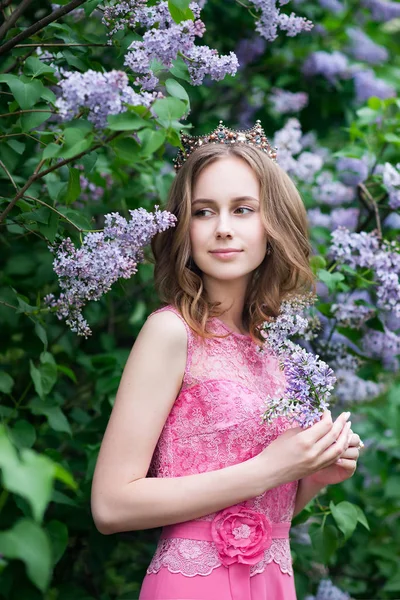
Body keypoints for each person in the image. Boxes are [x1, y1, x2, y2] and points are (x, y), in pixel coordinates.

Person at [90, 121, 363, 600]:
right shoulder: (172, 332)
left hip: (274, 579)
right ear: (183, 226)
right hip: (193, 584)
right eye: (203, 212)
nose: (222, 228)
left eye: (243, 209)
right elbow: (111, 505)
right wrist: (272, 467)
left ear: (271, 223)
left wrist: (316, 474)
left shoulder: (279, 350)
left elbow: (265, 504)